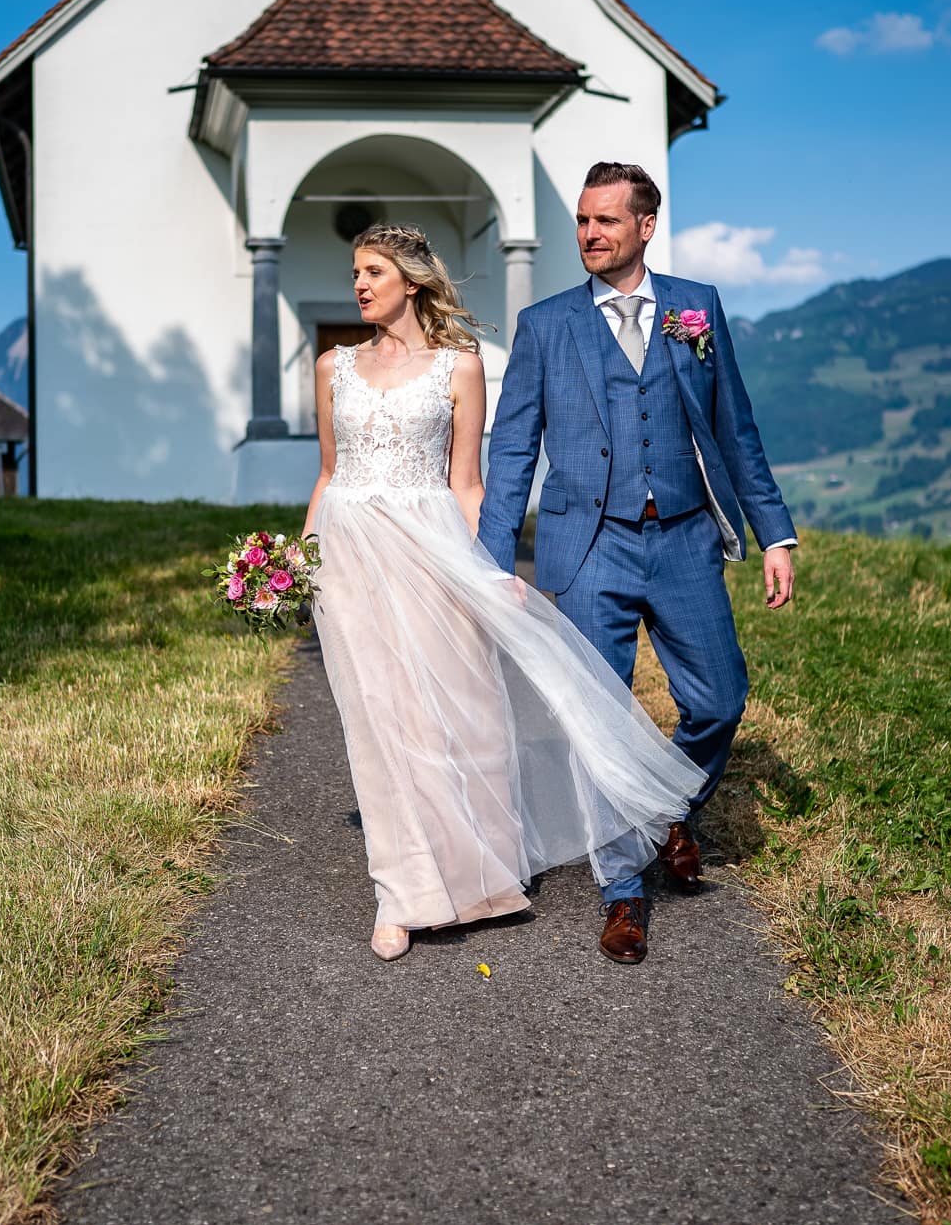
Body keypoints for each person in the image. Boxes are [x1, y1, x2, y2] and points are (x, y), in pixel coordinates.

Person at [303, 223, 709, 962]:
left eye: (372, 271)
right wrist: (299, 566)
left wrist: (492, 573)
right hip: (351, 559)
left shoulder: (459, 366)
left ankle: (478, 872)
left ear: (413, 281)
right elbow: (330, 473)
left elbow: (467, 483)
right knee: (379, 722)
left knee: (460, 713)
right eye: (355, 272)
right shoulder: (333, 365)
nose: (359, 284)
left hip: (431, 552)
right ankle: (400, 895)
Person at [478, 161, 798, 965]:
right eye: (584, 221)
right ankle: (624, 892)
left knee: (721, 698)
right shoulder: (545, 324)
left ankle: (665, 811)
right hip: (588, 545)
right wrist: (491, 560)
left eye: (606, 221)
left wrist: (776, 534)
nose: (589, 234)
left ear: (645, 226)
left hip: (685, 537)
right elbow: (512, 446)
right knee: (599, 719)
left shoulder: (697, 309)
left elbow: (737, 430)